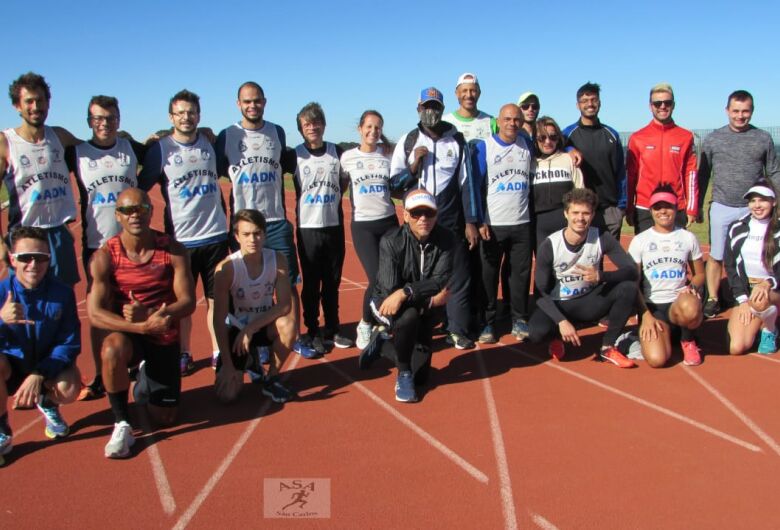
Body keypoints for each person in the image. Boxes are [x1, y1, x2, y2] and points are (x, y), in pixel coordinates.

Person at [88, 188, 196, 458]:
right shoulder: (106, 255)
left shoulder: (173, 249)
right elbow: (95, 313)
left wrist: (152, 316)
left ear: (151, 211)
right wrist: (140, 327)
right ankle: (121, 422)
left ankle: (145, 377)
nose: (134, 215)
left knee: (167, 418)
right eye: (126, 210)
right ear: (117, 215)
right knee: (111, 348)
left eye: (141, 209)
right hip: (129, 334)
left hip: (163, 333)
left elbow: (188, 301)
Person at [215, 81, 316, 360]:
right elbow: (220, 170)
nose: (252, 105)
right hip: (245, 226)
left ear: (264, 102)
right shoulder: (227, 136)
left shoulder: (277, 132)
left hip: (276, 221)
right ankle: (251, 342)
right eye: (247, 101)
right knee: (243, 289)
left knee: (289, 282)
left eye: (257, 100)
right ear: (238, 104)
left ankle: (293, 336)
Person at [139, 89, 228, 376]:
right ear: (171, 117)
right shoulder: (161, 149)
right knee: (183, 303)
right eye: (180, 113)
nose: (186, 117)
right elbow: (141, 188)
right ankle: (185, 353)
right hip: (181, 241)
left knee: (217, 300)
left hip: (216, 235)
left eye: (191, 112)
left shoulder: (210, 143)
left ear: (198, 115)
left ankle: (217, 350)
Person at [67, 95, 147, 400]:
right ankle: (102, 373)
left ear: (119, 120)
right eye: (98, 118)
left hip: (131, 244)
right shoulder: (76, 153)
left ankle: (137, 362)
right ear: (89, 122)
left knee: (134, 303)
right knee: (99, 309)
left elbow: (159, 146)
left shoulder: (129, 148)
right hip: (97, 246)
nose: (105, 123)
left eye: (110, 118)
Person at [389, 86, 480, 350]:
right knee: (417, 276)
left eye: (435, 107)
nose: (431, 112)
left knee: (459, 275)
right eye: (426, 107)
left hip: (451, 218)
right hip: (418, 222)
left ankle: (457, 329)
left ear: (442, 109)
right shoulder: (408, 140)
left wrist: (471, 221)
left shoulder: (457, 140)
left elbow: (468, 184)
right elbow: (394, 186)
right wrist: (414, 165)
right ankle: (416, 327)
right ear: (418, 108)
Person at [359, 189, 454, 403]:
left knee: (423, 376)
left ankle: (382, 345)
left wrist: (407, 292)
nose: (423, 219)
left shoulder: (447, 239)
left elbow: (440, 280)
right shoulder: (391, 241)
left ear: (436, 215)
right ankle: (403, 374)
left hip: (422, 306)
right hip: (384, 303)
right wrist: (429, 298)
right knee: (408, 317)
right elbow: (391, 291)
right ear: (405, 215)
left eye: (428, 213)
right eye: (416, 213)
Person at [528, 188, 638, 367]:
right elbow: (540, 292)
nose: (580, 218)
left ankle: (608, 346)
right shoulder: (550, 245)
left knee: (628, 288)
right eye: (575, 213)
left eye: (586, 213)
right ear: (566, 214)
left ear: (593, 214)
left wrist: (601, 275)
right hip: (559, 302)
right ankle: (556, 337)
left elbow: (631, 271)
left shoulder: (601, 237)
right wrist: (561, 321)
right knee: (536, 333)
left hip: (588, 301)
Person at [0, 226, 81, 464]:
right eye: (25, 258)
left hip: (46, 368)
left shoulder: (63, 293)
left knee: (69, 387)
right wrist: (1, 320)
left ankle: (48, 403)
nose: (33, 265)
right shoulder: (1, 292)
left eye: (41, 258)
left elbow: (70, 343)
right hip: (10, 368)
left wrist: (39, 373)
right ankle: (2, 427)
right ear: (13, 260)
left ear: (49, 259)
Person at [698, 90, 780, 318]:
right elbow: (703, 174)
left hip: (753, 208)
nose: (740, 116)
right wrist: (696, 208)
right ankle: (713, 298)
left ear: (752, 112)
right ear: (727, 111)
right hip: (722, 205)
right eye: (736, 111)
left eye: (745, 111)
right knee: (716, 255)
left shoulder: (763, 138)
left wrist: (777, 201)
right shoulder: (714, 138)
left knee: (756, 253)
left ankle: (744, 295)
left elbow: (773, 171)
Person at [282, 102, 352, 354]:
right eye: (307, 124)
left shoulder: (338, 151)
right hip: (308, 228)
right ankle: (312, 329)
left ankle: (333, 328)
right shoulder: (294, 155)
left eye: (316, 123)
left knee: (332, 282)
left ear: (324, 124)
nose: (312, 127)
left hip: (333, 226)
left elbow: (345, 179)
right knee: (311, 283)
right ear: (301, 128)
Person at [0, 72, 82, 286]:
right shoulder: (6, 142)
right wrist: (0, 244)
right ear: (17, 106)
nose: (36, 107)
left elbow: (96, 151)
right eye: (29, 101)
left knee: (63, 299)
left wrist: (147, 146)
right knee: (27, 303)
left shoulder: (60, 136)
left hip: (58, 233)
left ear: (48, 103)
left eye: (40, 100)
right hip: (25, 233)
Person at [212, 209, 296, 403]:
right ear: (236, 237)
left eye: (257, 233)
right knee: (227, 396)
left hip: (261, 326)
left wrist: (251, 329)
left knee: (289, 325)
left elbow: (284, 305)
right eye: (246, 234)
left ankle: (272, 378)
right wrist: (228, 364)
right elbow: (218, 320)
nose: (253, 239)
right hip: (236, 332)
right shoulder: (226, 269)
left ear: (265, 234)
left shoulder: (277, 260)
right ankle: (248, 361)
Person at [470, 103, 533, 343]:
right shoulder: (485, 147)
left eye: (516, 119)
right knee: (489, 275)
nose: (512, 124)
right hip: (493, 224)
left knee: (520, 274)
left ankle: (519, 317)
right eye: (507, 119)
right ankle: (487, 322)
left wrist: (568, 148)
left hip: (521, 222)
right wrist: (479, 220)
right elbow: (476, 186)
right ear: (498, 120)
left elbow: (554, 145)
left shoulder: (526, 144)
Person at [340, 110, 399, 349]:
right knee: (376, 278)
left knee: (392, 277)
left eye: (378, 128)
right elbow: (341, 185)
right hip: (363, 225)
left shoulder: (388, 155)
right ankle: (364, 323)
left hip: (389, 221)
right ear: (360, 129)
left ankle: (382, 322)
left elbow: (396, 186)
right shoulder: (347, 158)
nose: (373, 131)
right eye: (369, 127)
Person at [628, 185, 705, 367]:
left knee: (690, 305)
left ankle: (687, 339)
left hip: (678, 304)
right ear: (651, 210)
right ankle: (665, 334)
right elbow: (633, 283)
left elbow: (700, 274)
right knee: (657, 360)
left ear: (676, 208)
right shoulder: (640, 240)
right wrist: (645, 315)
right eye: (657, 207)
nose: (663, 211)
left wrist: (691, 288)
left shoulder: (687, 237)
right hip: (654, 308)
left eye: (668, 206)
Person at [626, 83, 698, 234]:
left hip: (675, 207)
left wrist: (692, 208)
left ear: (674, 105)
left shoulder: (685, 137)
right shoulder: (637, 138)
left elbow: (690, 173)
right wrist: (629, 207)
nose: (663, 106)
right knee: (646, 256)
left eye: (667, 102)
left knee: (676, 256)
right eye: (657, 103)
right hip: (645, 208)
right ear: (650, 106)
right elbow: (630, 176)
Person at [563, 82, 626, 239]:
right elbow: (555, 152)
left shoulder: (612, 134)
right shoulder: (567, 135)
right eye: (584, 101)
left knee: (611, 257)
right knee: (584, 259)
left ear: (599, 102)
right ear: (578, 105)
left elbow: (621, 173)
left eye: (593, 99)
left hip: (610, 209)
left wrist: (621, 206)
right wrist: (569, 149)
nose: (589, 104)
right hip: (581, 210)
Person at [724, 180, 780, 355]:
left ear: (774, 202)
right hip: (748, 292)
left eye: (762, 200)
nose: (757, 205)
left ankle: (770, 329)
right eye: (752, 200)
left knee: (760, 299)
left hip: (774, 288)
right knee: (737, 347)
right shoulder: (737, 227)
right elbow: (731, 266)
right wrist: (742, 300)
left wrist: (768, 283)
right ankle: (766, 316)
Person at [533, 116, 584, 247]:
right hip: (538, 225)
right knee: (544, 265)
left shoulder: (569, 159)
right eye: (542, 138)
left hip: (565, 222)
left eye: (553, 137)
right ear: (535, 140)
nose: (548, 141)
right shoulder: (530, 163)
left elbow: (580, 193)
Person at [443, 72, 495, 141]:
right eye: (464, 91)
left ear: (479, 93)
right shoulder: (444, 121)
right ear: (457, 94)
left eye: (473, 91)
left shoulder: (491, 121)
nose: (469, 95)